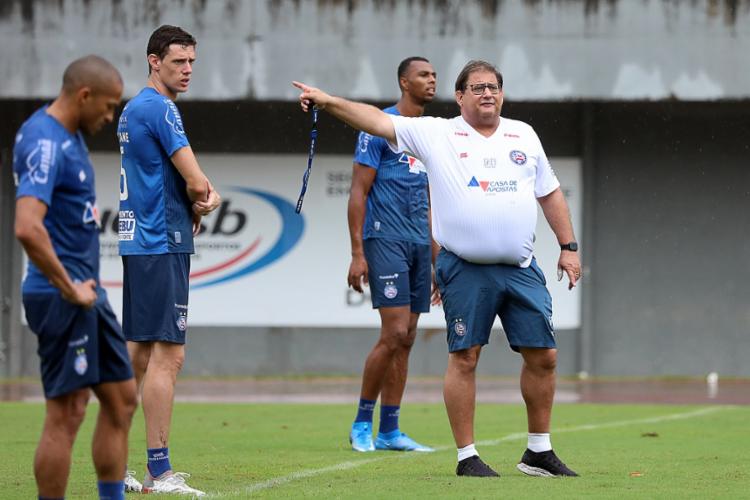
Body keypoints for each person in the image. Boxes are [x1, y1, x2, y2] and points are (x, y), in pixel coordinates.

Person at [293, 59, 582, 477]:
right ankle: (467, 456)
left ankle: (538, 451)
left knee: (545, 356)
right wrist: (327, 100)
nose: (487, 93)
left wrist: (569, 247)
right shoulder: (438, 133)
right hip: (465, 266)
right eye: (478, 87)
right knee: (465, 356)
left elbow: (550, 194)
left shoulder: (525, 134)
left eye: (494, 87)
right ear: (460, 96)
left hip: (521, 266)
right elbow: (375, 120)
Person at [13, 55, 137, 500]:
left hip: (88, 294)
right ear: (84, 96)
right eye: (108, 106)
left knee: (122, 400)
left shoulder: (69, 138)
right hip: (62, 295)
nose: (110, 117)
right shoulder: (45, 142)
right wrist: (69, 288)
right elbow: (28, 226)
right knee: (66, 413)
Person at [117, 25, 220, 496]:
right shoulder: (160, 108)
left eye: (192, 62)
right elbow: (196, 181)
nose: (188, 70)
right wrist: (204, 198)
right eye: (179, 61)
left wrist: (192, 199)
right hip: (160, 241)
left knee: (138, 355)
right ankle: (159, 472)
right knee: (168, 356)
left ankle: (116, 465)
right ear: (153, 60)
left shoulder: (134, 107)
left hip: (143, 242)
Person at [347, 57, 437, 453]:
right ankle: (362, 422)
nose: (432, 80)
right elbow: (357, 192)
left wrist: (439, 258)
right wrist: (357, 253)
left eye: (434, 75)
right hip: (385, 239)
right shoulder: (379, 127)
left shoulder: (430, 134)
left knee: (409, 337)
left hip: (419, 242)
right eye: (424, 75)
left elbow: (433, 200)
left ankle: (390, 430)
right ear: (404, 82)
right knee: (394, 331)